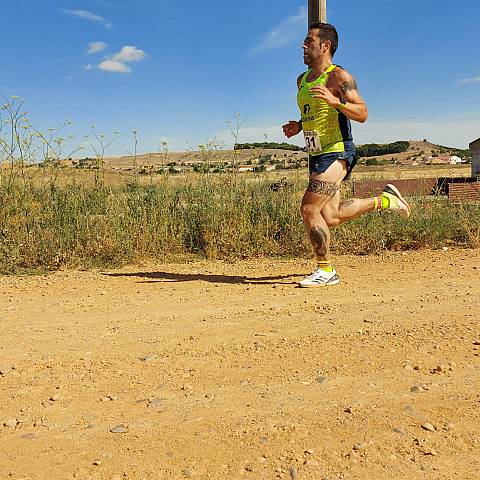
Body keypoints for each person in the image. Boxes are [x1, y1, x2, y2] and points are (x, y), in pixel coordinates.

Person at [282, 22, 411, 287]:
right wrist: (299, 125)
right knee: (331, 217)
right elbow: (314, 114)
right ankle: (385, 200)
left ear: (325, 46)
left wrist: (336, 102)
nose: (303, 46)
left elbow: (362, 113)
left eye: (309, 41)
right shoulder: (302, 80)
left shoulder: (339, 77)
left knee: (308, 209)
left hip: (338, 151)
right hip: (317, 153)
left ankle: (326, 270)